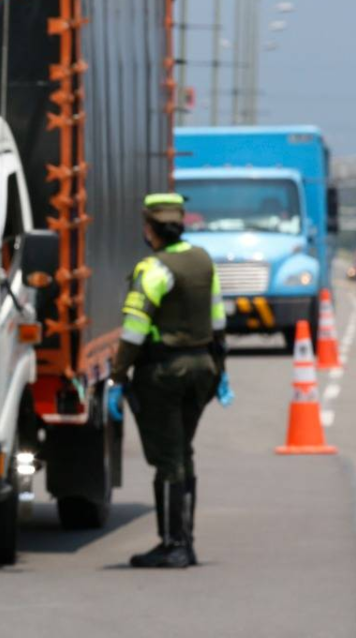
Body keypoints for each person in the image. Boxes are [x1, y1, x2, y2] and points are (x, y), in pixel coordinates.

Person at [107, 193, 228, 568]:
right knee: (182, 451)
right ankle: (184, 542)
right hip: (202, 368)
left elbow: (133, 331)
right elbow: (219, 320)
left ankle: (173, 544)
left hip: (164, 374)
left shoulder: (153, 270)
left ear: (150, 230)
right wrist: (221, 369)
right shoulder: (203, 261)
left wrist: (118, 376)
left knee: (168, 459)